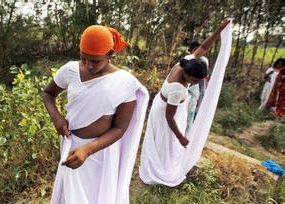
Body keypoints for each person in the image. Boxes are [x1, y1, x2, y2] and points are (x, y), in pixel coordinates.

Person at [42, 25, 149, 204]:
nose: (88, 65)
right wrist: (56, 117)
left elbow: (120, 128)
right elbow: (48, 94)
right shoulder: (70, 70)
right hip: (72, 147)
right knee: (70, 196)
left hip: (102, 153)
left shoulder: (124, 83)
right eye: (83, 58)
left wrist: (88, 150)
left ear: (110, 55)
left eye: (95, 61)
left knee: (97, 197)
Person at [139, 19, 232, 186]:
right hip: (165, 112)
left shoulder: (187, 62)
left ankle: (165, 163)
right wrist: (181, 137)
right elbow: (169, 118)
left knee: (167, 143)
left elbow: (203, 47)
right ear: (188, 76)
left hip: (170, 106)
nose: (196, 84)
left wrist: (220, 29)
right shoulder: (178, 89)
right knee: (165, 142)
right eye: (195, 81)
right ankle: (159, 172)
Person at [185, 41, 209, 135]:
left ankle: (185, 140)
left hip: (193, 94)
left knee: (189, 118)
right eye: (194, 50)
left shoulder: (203, 62)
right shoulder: (188, 60)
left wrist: (200, 102)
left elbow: (203, 84)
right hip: (184, 93)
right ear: (190, 50)